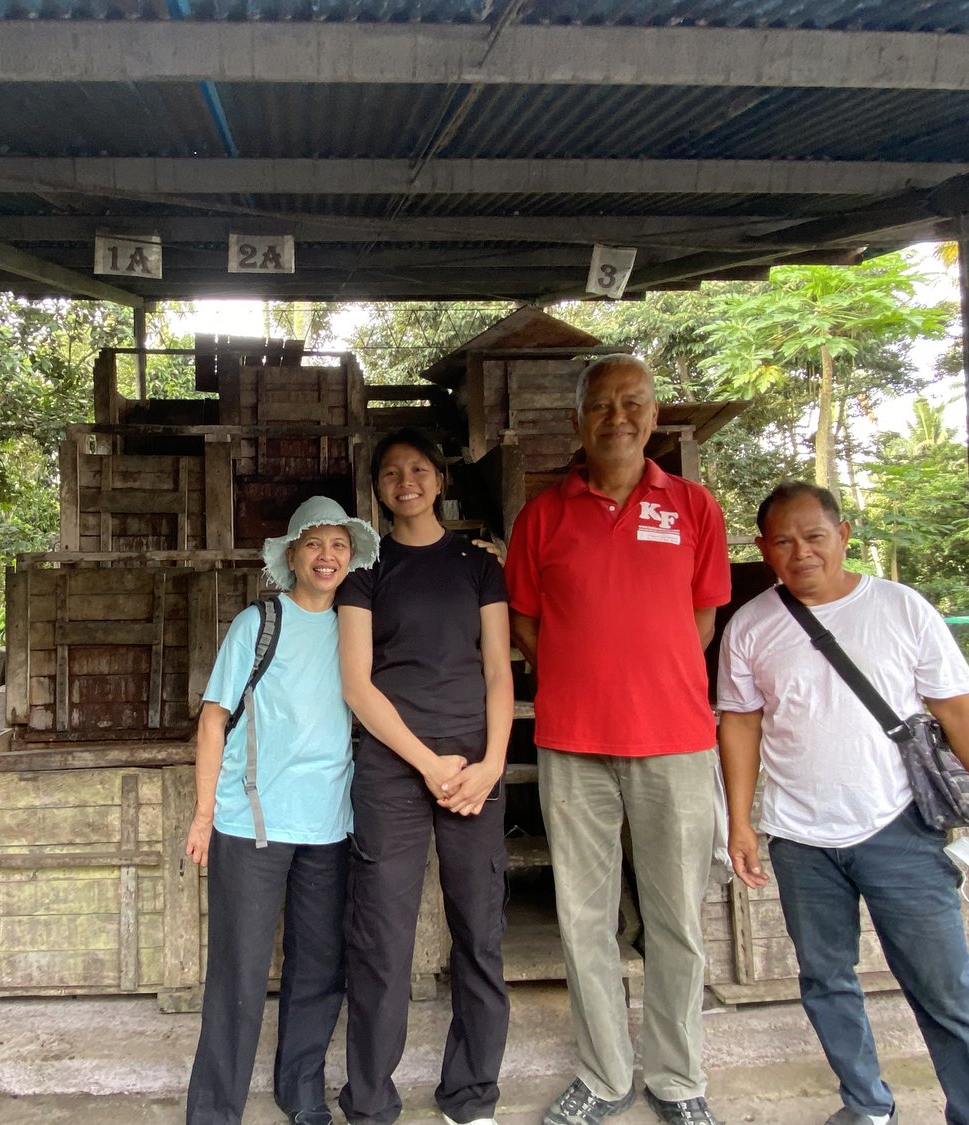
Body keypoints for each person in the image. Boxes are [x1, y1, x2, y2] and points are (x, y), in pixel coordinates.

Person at [716, 480, 969, 1125]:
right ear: (762, 548)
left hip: (897, 829)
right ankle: (867, 1106)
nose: (801, 552)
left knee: (946, 989)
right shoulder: (751, 626)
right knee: (826, 982)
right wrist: (740, 822)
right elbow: (740, 722)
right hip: (798, 839)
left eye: (814, 536)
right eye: (783, 541)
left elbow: (961, 711)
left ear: (843, 536)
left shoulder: (901, 608)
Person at [506, 355, 731, 1125]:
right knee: (585, 918)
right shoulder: (542, 516)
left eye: (632, 402)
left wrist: (647, 671)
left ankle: (676, 1076)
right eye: (601, 405)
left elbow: (702, 619)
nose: (617, 417)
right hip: (574, 743)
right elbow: (527, 623)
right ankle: (604, 1075)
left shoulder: (694, 507)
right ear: (577, 420)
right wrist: (583, 673)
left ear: (655, 413)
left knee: (675, 918)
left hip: (675, 738)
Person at [335, 427, 514, 1125]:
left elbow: (499, 671)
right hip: (393, 766)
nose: (404, 480)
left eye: (416, 469)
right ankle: (372, 1100)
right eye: (389, 472)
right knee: (383, 934)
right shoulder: (365, 570)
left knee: (480, 929)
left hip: (475, 765)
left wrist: (492, 762)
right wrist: (426, 761)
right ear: (376, 489)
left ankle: (471, 1095)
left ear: (439, 479)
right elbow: (357, 684)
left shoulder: (478, 565)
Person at [184, 495, 380, 1125]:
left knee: (319, 968)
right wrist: (202, 813)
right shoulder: (257, 624)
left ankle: (301, 1093)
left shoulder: (358, 627)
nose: (328, 556)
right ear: (292, 554)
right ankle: (215, 1111)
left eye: (339, 546)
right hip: (252, 825)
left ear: (351, 558)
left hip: (328, 824)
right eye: (315, 544)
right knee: (237, 975)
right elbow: (213, 722)